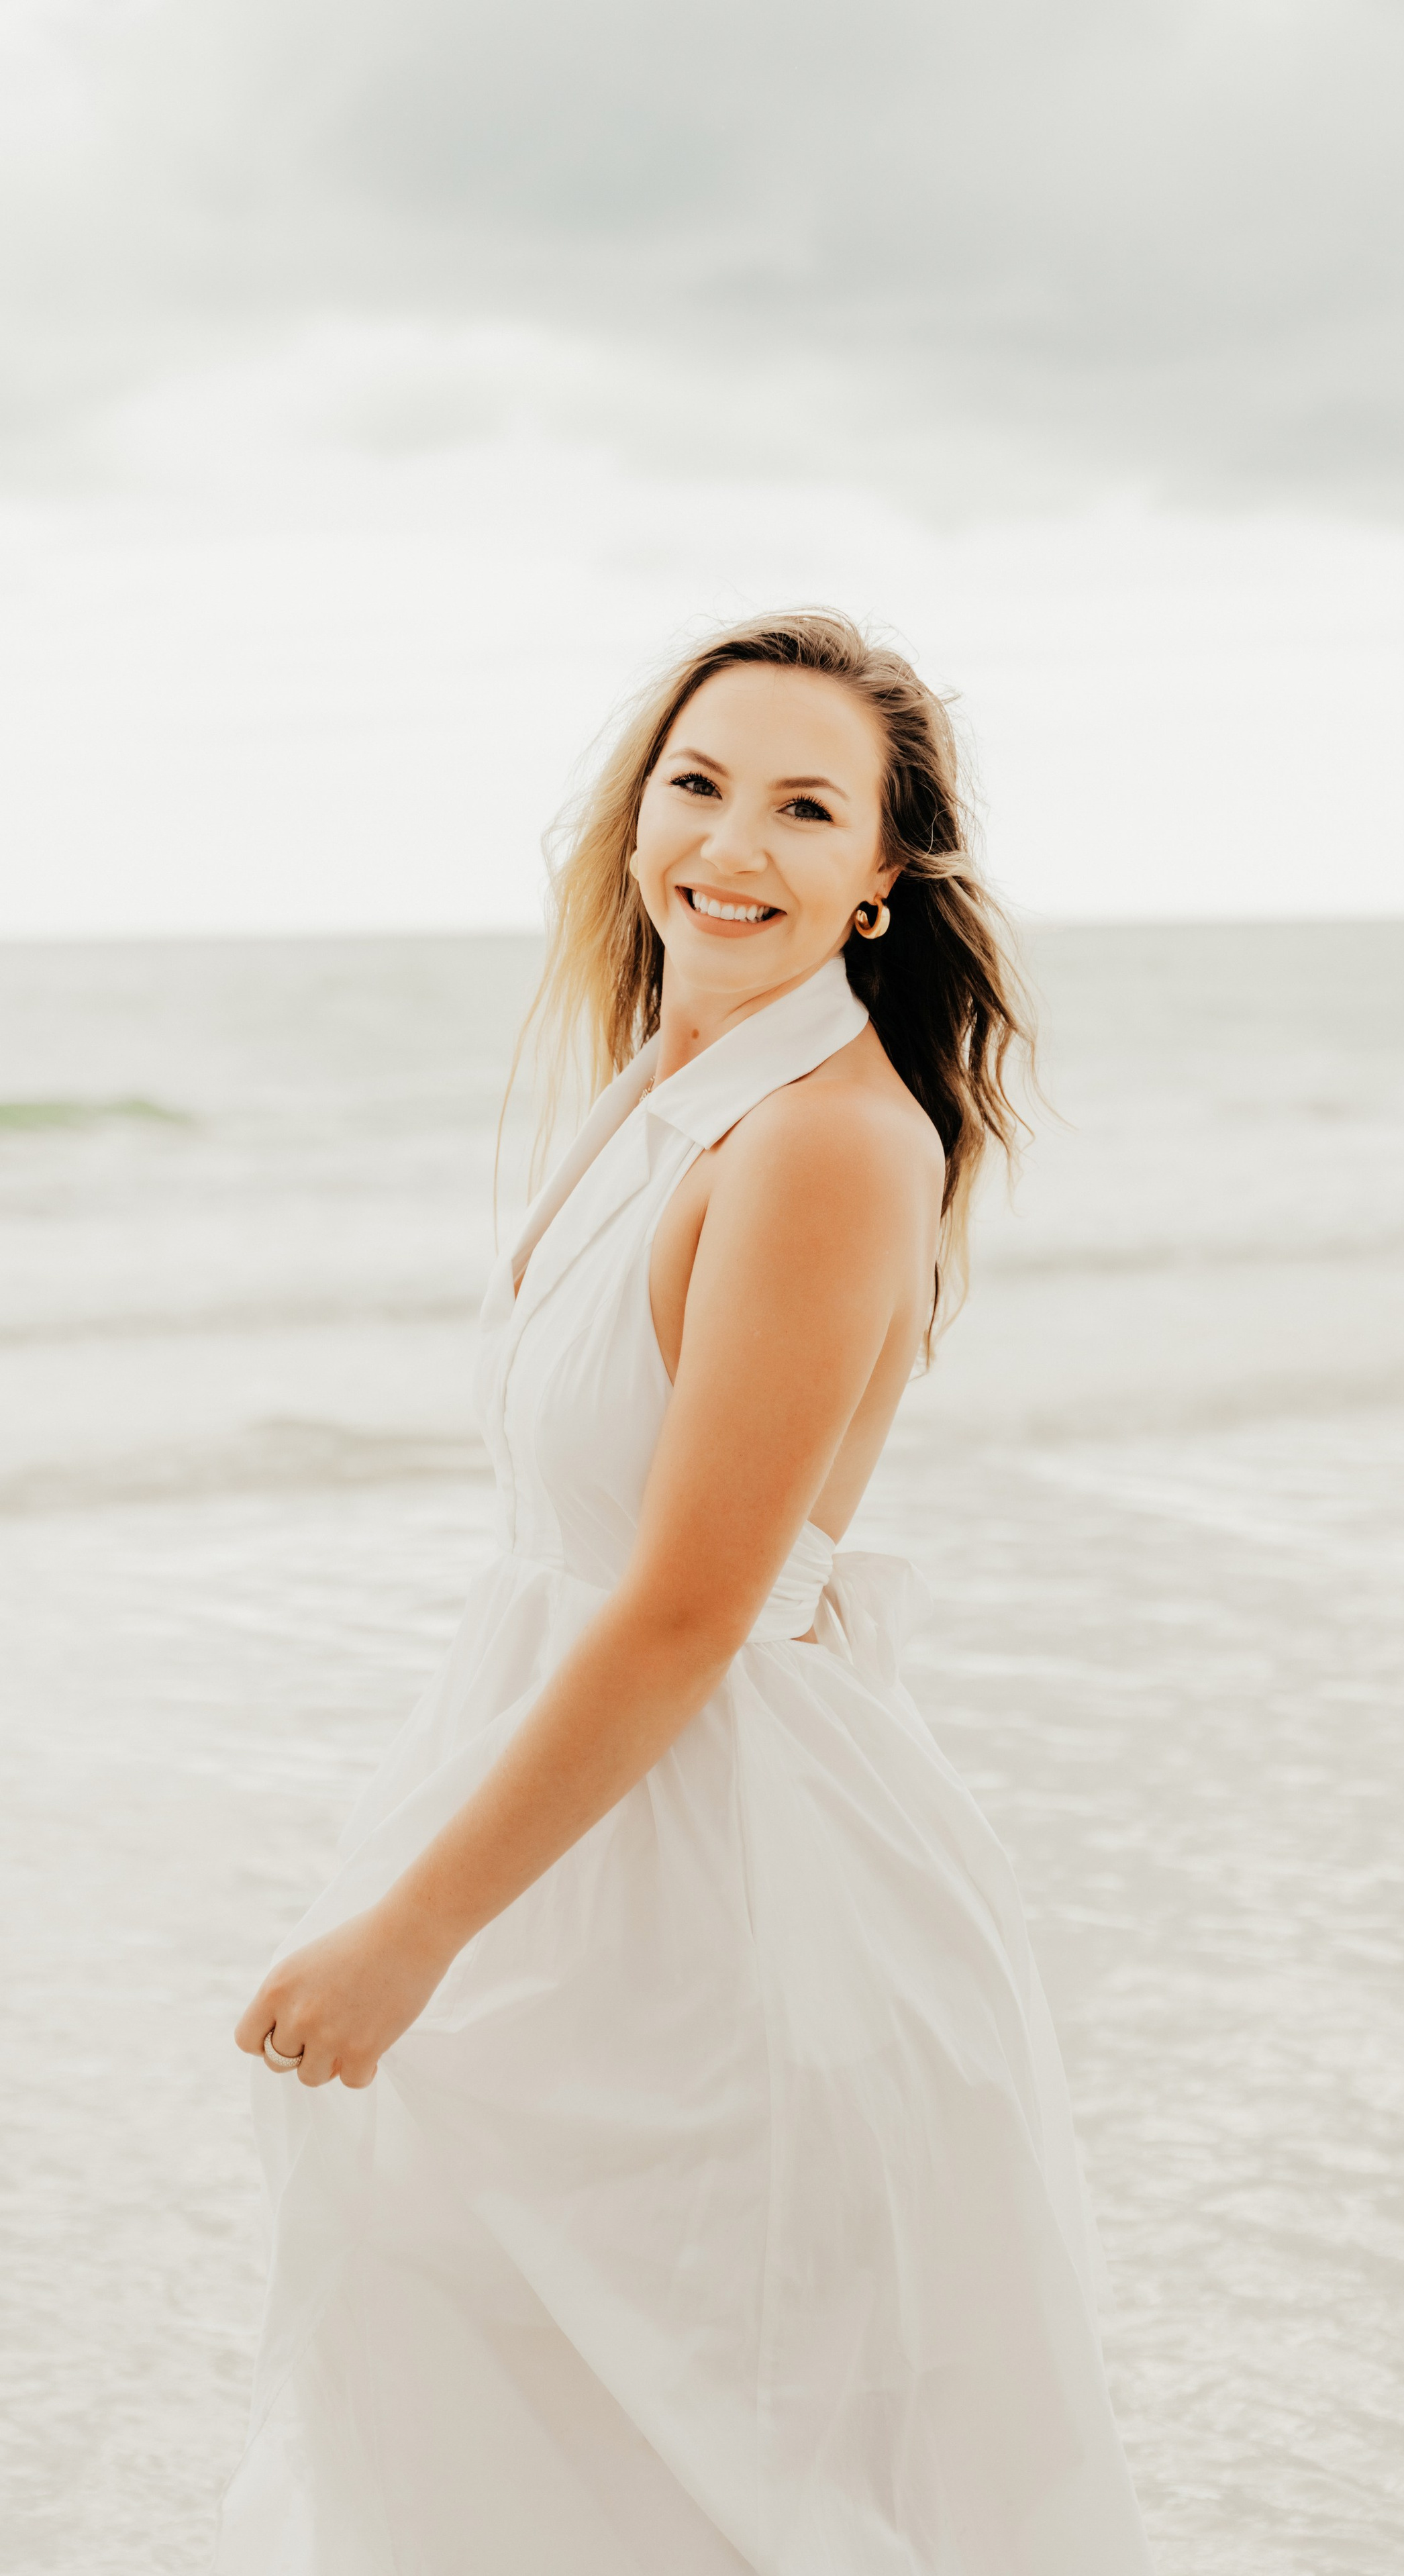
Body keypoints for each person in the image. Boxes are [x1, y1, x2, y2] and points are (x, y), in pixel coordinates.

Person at [219, 610, 1151, 2573]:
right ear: (638, 806)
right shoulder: (677, 1079)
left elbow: (684, 1610)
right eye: (701, 784)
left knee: (711, 2464)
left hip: (724, 1888)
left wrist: (412, 1934)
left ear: (886, 877)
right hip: (588, 1827)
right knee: (513, 2414)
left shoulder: (822, 1140)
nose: (733, 845)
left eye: (809, 808)